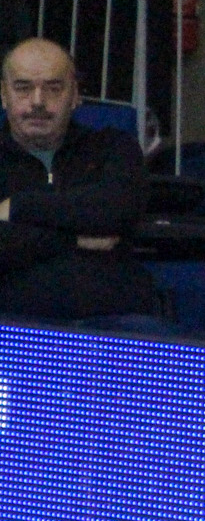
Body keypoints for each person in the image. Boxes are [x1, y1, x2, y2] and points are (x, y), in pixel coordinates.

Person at [0, 38, 160, 328]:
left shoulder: (113, 147)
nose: (37, 101)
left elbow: (115, 210)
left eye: (54, 88)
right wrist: (72, 238)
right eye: (23, 88)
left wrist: (17, 207)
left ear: (75, 95)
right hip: (13, 327)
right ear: (3, 95)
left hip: (114, 323)